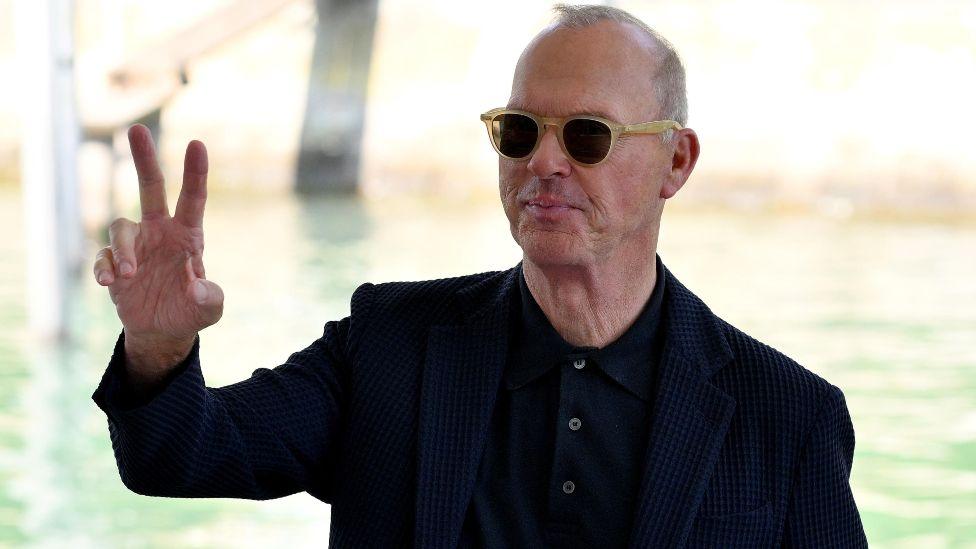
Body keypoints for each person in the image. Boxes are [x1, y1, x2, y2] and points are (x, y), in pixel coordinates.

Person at [90, 4, 868, 548]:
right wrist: (157, 345)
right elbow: (180, 455)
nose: (543, 162)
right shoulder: (387, 347)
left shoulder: (788, 417)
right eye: (521, 131)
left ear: (676, 161)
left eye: (588, 136)